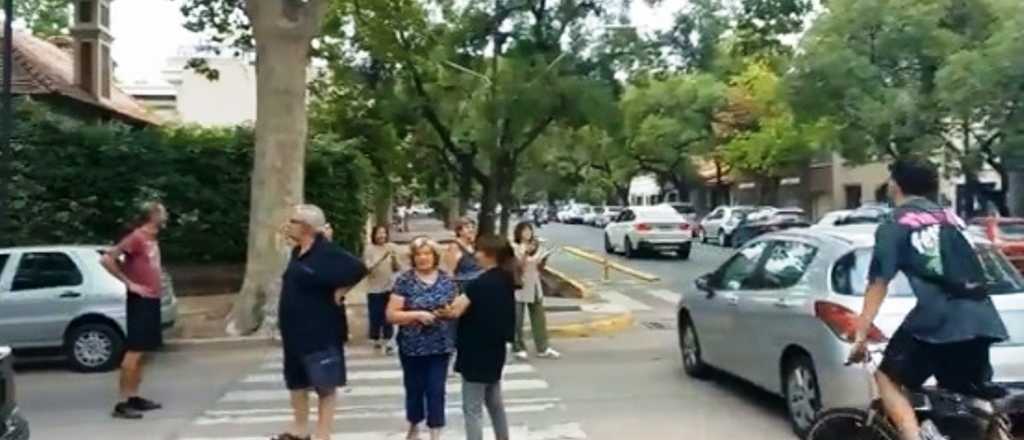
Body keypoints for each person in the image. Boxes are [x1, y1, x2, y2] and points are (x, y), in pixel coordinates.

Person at [848, 159, 1009, 440]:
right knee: (968, 398)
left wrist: (861, 334)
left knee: (888, 377)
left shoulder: (895, 223)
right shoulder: (952, 218)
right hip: (982, 317)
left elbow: (878, 282)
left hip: (938, 319)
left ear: (895, 185)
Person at [274, 204, 368, 440]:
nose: (288, 225)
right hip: (294, 331)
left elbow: (359, 268)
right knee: (296, 382)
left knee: (324, 384)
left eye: (293, 221)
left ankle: (323, 434)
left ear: (306, 227)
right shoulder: (297, 252)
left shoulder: (327, 252)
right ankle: (300, 429)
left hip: (321, 330)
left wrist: (342, 290)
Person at [437, 234, 518, 440]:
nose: (475, 254)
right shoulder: (506, 279)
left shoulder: (479, 285)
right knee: (494, 403)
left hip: (475, 352)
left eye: (479, 251)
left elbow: (454, 311)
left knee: (472, 408)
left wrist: (440, 311)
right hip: (496, 349)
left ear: (490, 255)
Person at [102, 202, 169, 420]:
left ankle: (134, 396)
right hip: (140, 300)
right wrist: (129, 283)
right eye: (163, 212)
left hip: (152, 299)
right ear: (153, 215)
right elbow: (107, 258)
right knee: (134, 351)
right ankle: (122, 403)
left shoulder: (151, 238)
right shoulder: (136, 237)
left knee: (143, 352)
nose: (166, 216)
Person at [388, 237, 458, 440]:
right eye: (418, 254)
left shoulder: (447, 280)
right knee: (414, 388)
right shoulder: (404, 281)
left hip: (440, 345)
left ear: (435, 256)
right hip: (412, 347)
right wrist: (416, 315)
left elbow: (456, 309)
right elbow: (391, 314)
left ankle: (435, 431)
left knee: (436, 389)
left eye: (427, 254)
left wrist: (448, 312)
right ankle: (414, 425)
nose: (423, 258)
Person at [511, 222, 560, 361]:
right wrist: (525, 253)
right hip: (519, 285)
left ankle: (543, 347)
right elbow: (518, 266)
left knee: (539, 317)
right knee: (517, 319)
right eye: (524, 231)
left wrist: (544, 258)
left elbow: (539, 267)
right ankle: (518, 347)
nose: (527, 233)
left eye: (529, 230)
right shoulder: (514, 247)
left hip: (534, 284)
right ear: (519, 233)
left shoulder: (536, 246)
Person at [364, 225, 401, 355]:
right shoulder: (369, 249)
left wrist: (394, 258)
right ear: (374, 235)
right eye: (379, 233)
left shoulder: (391, 247)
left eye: (384, 233)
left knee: (388, 315)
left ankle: (388, 340)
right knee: (375, 314)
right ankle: (376, 339)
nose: (382, 236)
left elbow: (397, 268)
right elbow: (368, 268)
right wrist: (382, 258)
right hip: (374, 288)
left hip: (389, 286)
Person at [443, 217, 482, 284]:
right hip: (465, 282)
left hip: (479, 279)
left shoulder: (473, 244)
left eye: (473, 227)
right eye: (467, 227)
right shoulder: (455, 247)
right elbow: (450, 272)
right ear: (459, 231)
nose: (471, 230)